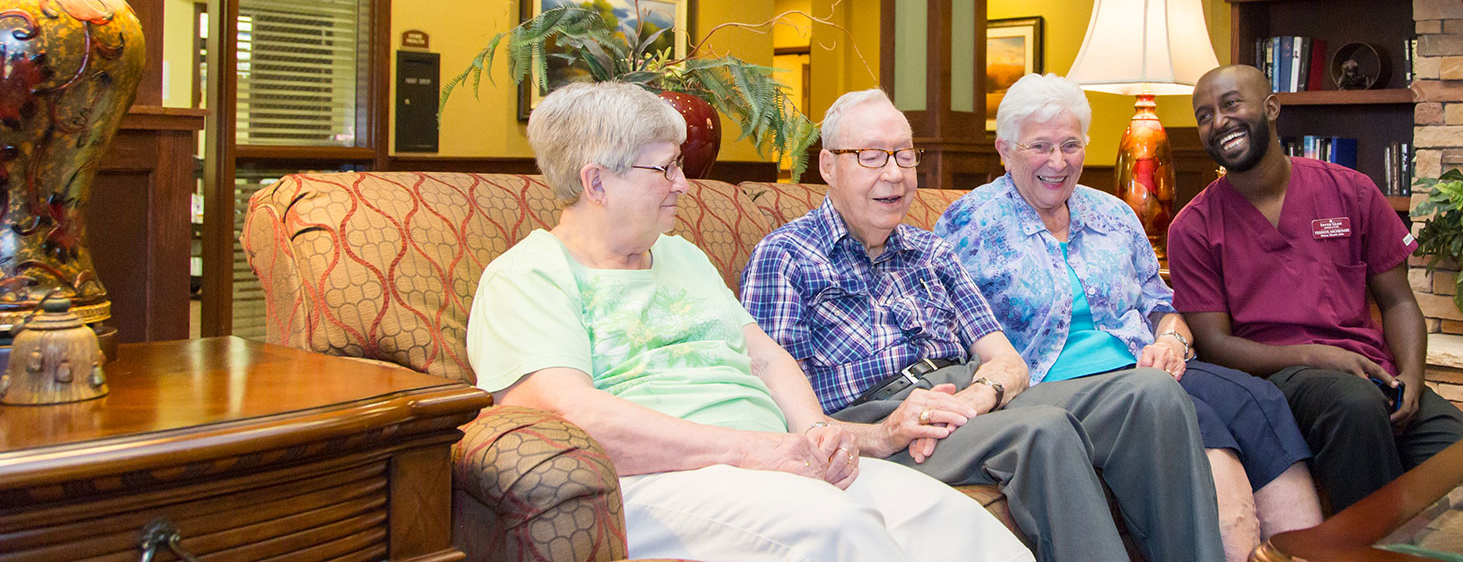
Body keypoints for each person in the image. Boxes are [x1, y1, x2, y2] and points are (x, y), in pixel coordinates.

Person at [466, 81, 1032, 562]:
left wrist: (815, 431)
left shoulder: (681, 255)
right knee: (836, 529)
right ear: (596, 183)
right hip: (659, 483)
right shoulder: (527, 276)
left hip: (770, 464)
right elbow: (570, 413)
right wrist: (751, 451)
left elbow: (763, 356)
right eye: (665, 168)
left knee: (958, 526)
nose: (682, 184)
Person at [740, 88, 1227, 562]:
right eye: (871, 156)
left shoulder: (930, 252)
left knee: (1150, 393)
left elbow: (1007, 360)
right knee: (1042, 430)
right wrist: (885, 431)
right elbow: (777, 409)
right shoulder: (786, 257)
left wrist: (978, 396)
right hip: (874, 414)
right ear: (828, 165)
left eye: (904, 156)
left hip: (960, 397)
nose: (893, 174)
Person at [935, 73, 1323, 562]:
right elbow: (948, 328)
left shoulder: (1113, 214)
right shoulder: (969, 224)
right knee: (1197, 421)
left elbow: (1161, 303)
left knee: (1258, 401)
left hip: (1143, 363)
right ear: (1005, 150)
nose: (1058, 162)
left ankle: (1312, 554)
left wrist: (1172, 342)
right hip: (1053, 386)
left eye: (1071, 145)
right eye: (1040, 146)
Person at [1171, 64, 1463, 515]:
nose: (1218, 122)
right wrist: (1315, 356)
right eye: (1204, 116)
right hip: (1275, 377)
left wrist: (1413, 378)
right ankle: (1369, 545)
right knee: (1355, 407)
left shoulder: (1352, 191)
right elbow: (1216, 346)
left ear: (1271, 107)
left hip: (1371, 371)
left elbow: (1398, 301)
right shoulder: (1193, 227)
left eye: (1231, 104)